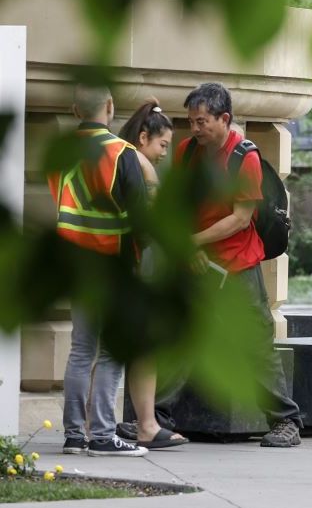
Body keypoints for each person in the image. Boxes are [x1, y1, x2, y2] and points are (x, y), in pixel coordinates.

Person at [175, 82, 304, 447]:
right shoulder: (186, 153)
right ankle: (158, 420)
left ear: (224, 119)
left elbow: (239, 218)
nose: (196, 128)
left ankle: (286, 422)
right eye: (192, 122)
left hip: (237, 265)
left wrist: (193, 242)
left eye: (202, 121)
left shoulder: (243, 156)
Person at [48, 85, 149, 457]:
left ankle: (74, 436)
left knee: (80, 351)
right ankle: (104, 436)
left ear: (75, 110)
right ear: (109, 106)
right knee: (110, 354)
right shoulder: (122, 153)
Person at [116, 100, 187, 449]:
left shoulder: (119, 156)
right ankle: (145, 424)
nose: (164, 153)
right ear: (144, 136)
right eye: (163, 145)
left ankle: (140, 422)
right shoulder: (139, 163)